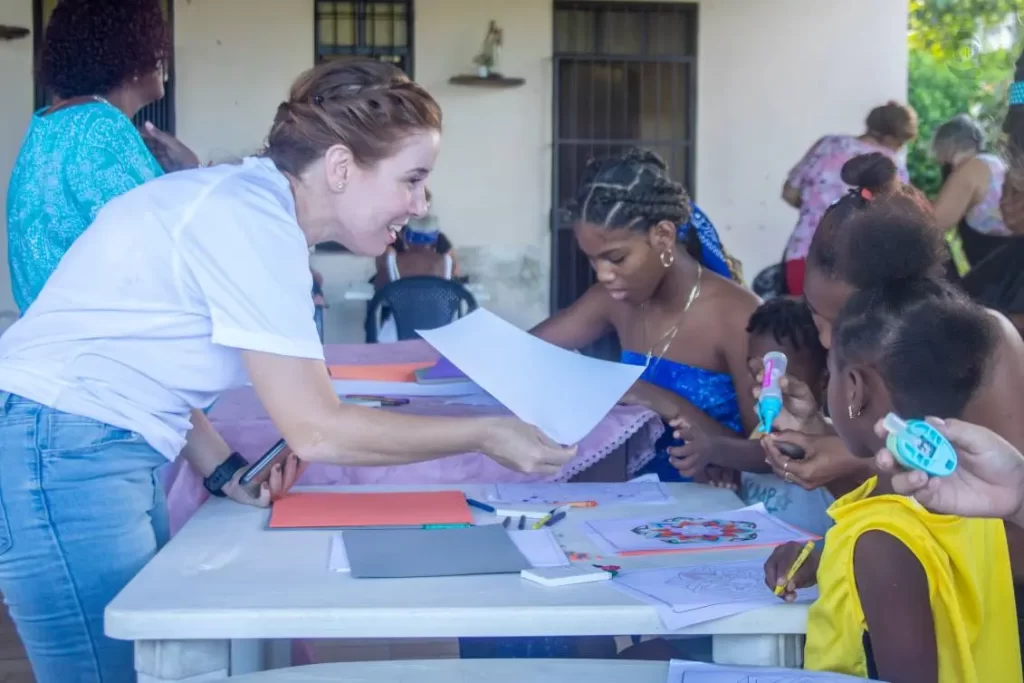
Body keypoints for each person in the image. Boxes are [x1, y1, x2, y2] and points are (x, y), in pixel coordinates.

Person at [0, 58, 574, 683]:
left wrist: (224, 470)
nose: (420, 203)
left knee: (150, 660)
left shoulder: (247, 207)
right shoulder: (252, 221)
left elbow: (146, 359)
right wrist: (485, 432)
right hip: (63, 449)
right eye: (412, 179)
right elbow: (319, 430)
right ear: (340, 167)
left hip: (82, 445)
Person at [764, 279, 1022, 683]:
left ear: (854, 389)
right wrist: (825, 559)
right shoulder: (975, 503)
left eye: (830, 373)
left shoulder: (879, 543)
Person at [531, 148, 760, 482]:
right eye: (592, 260)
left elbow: (769, 452)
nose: (603, 274)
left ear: (663, 236)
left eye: (617, 258)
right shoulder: (613, 300)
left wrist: (656, 398)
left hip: (713, 500)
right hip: (631, 493)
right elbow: (525, 351)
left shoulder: (738, 316)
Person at [760, 152, 950, 496]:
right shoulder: (860, 371)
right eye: (815, 316)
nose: (827, 341)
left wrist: (856, 460)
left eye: (841, 325)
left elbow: (988, 487)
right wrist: (818, 428)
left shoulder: (977, 356)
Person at [6, 0, 199, 314]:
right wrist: (193, 173)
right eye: (154, 42)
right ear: (130, 56)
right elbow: (174, 254)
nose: (162, 56)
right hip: (104, 337)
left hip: (53, 333)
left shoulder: (47, 125)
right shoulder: (101, 128)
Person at [671, 297, 835, 537]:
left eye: (775, 372)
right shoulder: (760, 430)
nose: (762, 381)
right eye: (754, 369)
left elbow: (773, 453)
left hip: (810, 558)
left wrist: (716, 449)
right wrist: (726, 476)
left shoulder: (826, 436)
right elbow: (753, 465)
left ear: (823, 380)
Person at [780, 102, 917, 296]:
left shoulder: (827, 145)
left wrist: (815, 208)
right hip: (858, 267)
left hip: (803, 253)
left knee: (801, 314)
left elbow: (789, 193)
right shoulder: (892, 167)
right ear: (892, 137)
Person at [931, 114, 1010, 270]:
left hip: (1001, 271)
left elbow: (933, 224)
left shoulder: (971, 170)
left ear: (947, 146)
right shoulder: (995, 162)